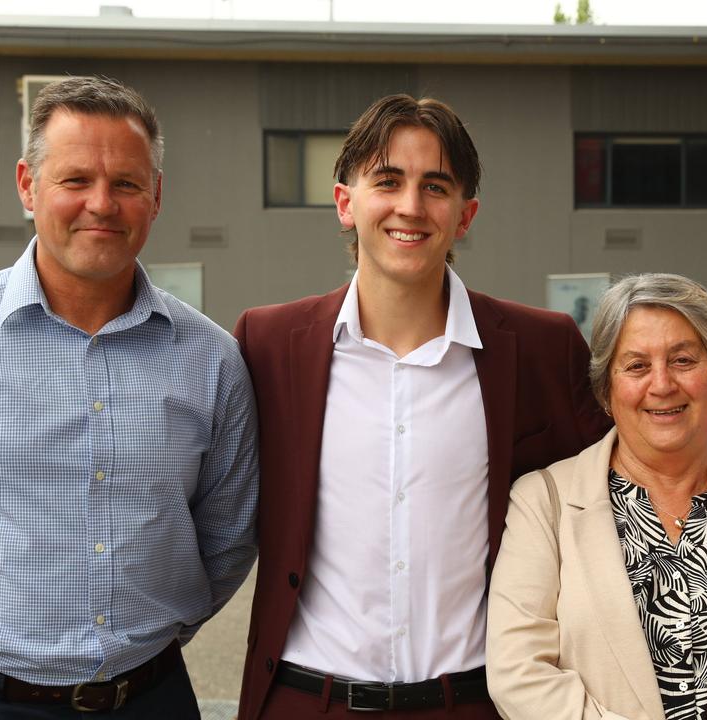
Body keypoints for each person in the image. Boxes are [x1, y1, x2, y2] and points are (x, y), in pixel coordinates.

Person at [0, 76, 259, 718]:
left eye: (126, 183)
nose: (102, 204)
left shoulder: (210, 359)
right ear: (27, 187)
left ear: (156, 196)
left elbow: (227, 536)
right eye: (74, 180)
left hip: (151, 699)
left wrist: (152, 630)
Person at [233, 93, 610, 719]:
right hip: (306, 699)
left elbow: (612, 502)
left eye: (435, 186)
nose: (410, 206)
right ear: (345, 202)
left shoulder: (543, 349)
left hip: (475, 701)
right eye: (388, 181)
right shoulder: (268, 345)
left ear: (465, 214)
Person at [488, 273, 707, 720]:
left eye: (684, 360)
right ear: (606, 390)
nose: (662, 384)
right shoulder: (543, 502)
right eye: (635, 365)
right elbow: (519, 672)